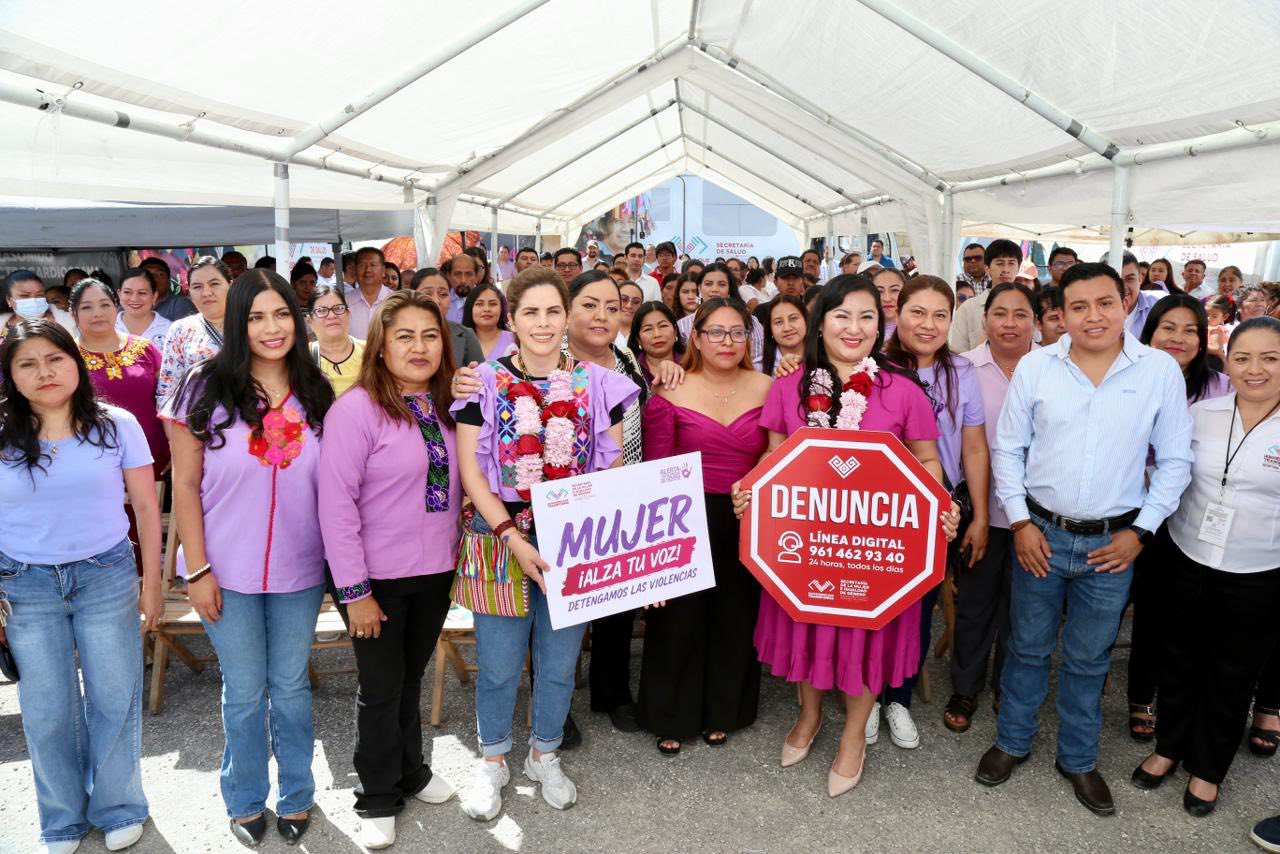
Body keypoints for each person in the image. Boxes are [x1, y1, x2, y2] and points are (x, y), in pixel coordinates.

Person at [977, 262, 1193, 816]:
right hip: (1041, 534)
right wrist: (1021, 523)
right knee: (1026, 648)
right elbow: (1008, 449)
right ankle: (1012, 742)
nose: (1093, 316)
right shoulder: (1036, 367)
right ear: (1061, 314)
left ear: (1126, 303)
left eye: (1104, 303)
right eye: (1079, 307)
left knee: (1089, 658)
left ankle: (1077, 758)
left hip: (1114, 544)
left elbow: (1174, 461)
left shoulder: (1158, 371)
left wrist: (1141, 533)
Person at [737, 275, 958, 796]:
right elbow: (773, 455)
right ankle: (810, 717)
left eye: (866, 317)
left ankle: (854, 735)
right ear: (821, 323)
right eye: (841, 316)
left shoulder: (902, 391)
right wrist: (750, 491)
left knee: (867, 639)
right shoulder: (789, 388)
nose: (853, 328)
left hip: (876, 551)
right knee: (808, 631)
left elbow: (928, 461)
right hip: (805, 548)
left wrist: (939, 507)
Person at [450, 266, 639, 821]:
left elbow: (618, 463)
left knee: (558, 662)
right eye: (530, 312)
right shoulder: (480, 382)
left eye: (553, 311)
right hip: (499, 536)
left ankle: (544, 753)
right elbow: (470, 471)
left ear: (568, 317)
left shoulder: (601, 384)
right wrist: (511, 536)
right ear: (511, 318)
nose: (542, 322)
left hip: (572, 540)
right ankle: (492, 761)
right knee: (501, 662)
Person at [162, 270, 335, 847]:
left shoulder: (316, 389)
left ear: (296, 317)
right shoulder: (202, 387)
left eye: (281, 314)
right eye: (256, 316)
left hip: (301, 569)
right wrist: (198, 568)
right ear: (237, 323)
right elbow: (184, 486)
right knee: (242, 691)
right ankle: (243, 798)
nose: (271, 327)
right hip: (225, 573)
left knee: (289, 687)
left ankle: (297, 795)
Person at [0, 320, 162, 854]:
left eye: (55, 359)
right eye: (28, 363)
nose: (44, 372)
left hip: (106, 576)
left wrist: (153, 583)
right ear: (10, 374)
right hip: (24, 584)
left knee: (114, 696)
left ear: (76, 363)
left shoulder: (116, 424)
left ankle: (120, 806)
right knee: (47, 708)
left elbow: (144, 507)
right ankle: (62, 819)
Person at [319, 291, 462, 848]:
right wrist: (354, 593)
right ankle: (376, 794)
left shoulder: (451, 404)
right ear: (380, 346)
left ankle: (412, 770)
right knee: (380, 688)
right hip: (372, 579)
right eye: (404, 335)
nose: (419, 347)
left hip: (433, 574)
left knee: (408, 680)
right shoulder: (355, 410)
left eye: (430, 335)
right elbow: (335, 505)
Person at [1131, 316, 1280, 816]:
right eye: (1242, 358)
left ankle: (1208, 767)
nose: (1254, 369)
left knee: (1233, 673)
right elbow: (1166, 470)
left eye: (1269, 358)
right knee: (1180, 659)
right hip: (1188, 554)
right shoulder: (1202, 414)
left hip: (1259, 570)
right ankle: (1169, 747)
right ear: (1226, 362)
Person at [638, 298, 772, 754]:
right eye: (716, 332)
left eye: (738, 332)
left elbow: (779, 455)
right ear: (695, 337)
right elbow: (655, 467)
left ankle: (725, 710)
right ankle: (671, 713)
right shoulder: (670, 388)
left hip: (745, 515)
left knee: (735, 616)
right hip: (682, 515)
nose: (727, 342)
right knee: (678, 617)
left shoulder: (769, 387)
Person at [875, 276, 991, 748]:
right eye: (916, 312)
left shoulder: (963, 372)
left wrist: (979, 515)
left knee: (918, 609)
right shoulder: (870, 365)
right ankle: (867, 697)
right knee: (869, 603)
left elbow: (974, 448)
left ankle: (898, 698)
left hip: (932, 510)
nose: (927, 324)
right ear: (896, 312)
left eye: (939, 315)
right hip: (873, 507)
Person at [1124, 293, 1233, 742]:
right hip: (1141, 514)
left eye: (1190, 330)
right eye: (1168, 327)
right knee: (1149, 608)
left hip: (1200, 513)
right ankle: (1141, 695)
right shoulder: (1130, 377)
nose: (1179, 338)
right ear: (1150, 333)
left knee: (1191, 614)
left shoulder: (1221, 387)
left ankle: (1181, 698)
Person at [946, 282, 1040, 733]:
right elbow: (964, 445)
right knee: (976, 604)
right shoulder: (963, 368)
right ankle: (965, 688)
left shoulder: (1054, 366)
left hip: (1036, 515)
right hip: (981, 508)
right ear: (983, 321)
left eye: (1019, 314)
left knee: (1022, 608)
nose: (1008, 323)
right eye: (999, 313)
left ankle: (1008, 685)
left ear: (1035, 320)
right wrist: (977, 516)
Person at [72, 278, 169, 567]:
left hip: (151, 457)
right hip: (93, 461)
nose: (97, 313)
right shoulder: (67, 356)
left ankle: (150, 587)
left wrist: (175, 448)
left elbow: (168, 399)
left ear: (116, 306)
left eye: (104, 304)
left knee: (148, 521)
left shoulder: (145, 348)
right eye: (87, 307)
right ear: (74, 313)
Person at [155, 256, 230, 406]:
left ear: (231, 285)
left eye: (214, 284)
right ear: (189, 292)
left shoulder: (252, 322)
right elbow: (167, 390)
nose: (206, 292)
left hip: (251, 419)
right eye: (197, 287)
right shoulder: (181, 329)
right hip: (199, 422)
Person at [676, 263, 766, 371]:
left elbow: (757, 362)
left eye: (722, 284)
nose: (715, 289)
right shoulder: (682, 326)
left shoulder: (751, 322)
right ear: (699, 288)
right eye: (708, 284)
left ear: (729, 289)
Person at [950, 240, 1024, 352]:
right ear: (987, 268)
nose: (1005, 270)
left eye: (1011, 263)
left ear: (1018, 268)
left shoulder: (1027, 306)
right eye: (999, 263)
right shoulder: (968, 308)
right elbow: (957, 353)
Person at [410, 268, 485, 366]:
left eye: (443, 294)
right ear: (411, 296)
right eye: (427, 294)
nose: (436, 300)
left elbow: (482, 377)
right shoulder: (397, 333)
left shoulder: (466, 335)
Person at [307, 285, 365, 397]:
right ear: (310, 321)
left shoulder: (370, 352)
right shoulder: (303, 357)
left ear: (348, 313)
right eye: (322, 310)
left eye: (338, 308)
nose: (332, 315)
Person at [1, 270, 77, 343]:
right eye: (24, 295)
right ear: (9, 300)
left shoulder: (72, 323)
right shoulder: (2, 328)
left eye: (39, 295)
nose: (33, 300)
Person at [627, 301, 685, 385]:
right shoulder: (629, 369)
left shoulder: (692, 363)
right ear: (638, 339)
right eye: (648, 329)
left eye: (663, 326)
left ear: (675, 331)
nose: (657, 334)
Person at [115, 266, 172, 350]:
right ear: (119, 294)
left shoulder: (171, 330)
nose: (134, 299)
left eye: (142, 293)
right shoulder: (107, 327)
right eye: (127, 292)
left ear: (154, 296)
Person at [346, 248, 394, 338]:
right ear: (355, 270)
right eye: (362, 265)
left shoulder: (396, 300)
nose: (368, 270)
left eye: (373, 265)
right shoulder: (344, 302)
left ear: (383, 270)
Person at [463, 282, 516, 360]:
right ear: (470, 308)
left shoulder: (515, 340)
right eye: (479, 304)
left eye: (493, 304)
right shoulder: (459, 342)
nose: (486, 309)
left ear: (501, 309)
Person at [138, 257, 197, 322]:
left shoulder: (180, 304)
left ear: (168, 281)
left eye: (160, 275)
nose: (154, 278)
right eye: (148, 275)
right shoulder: (129, 303)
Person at [760, 294, 806, 375]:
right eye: (778, 322)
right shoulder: (757, 367)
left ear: (806, 320)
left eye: (793, 318)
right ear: (770, 329)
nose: (787, 328)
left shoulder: (826, 356)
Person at [873, 267, 907, 341]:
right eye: (880, 291)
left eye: (894, 290)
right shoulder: (865, 329)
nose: (887, 299)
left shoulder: (915, 328)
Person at [617, 281, 645, 349]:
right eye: (624, 299)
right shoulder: (601, 330)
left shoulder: (645, 335)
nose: (629, 306)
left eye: (636, 302)